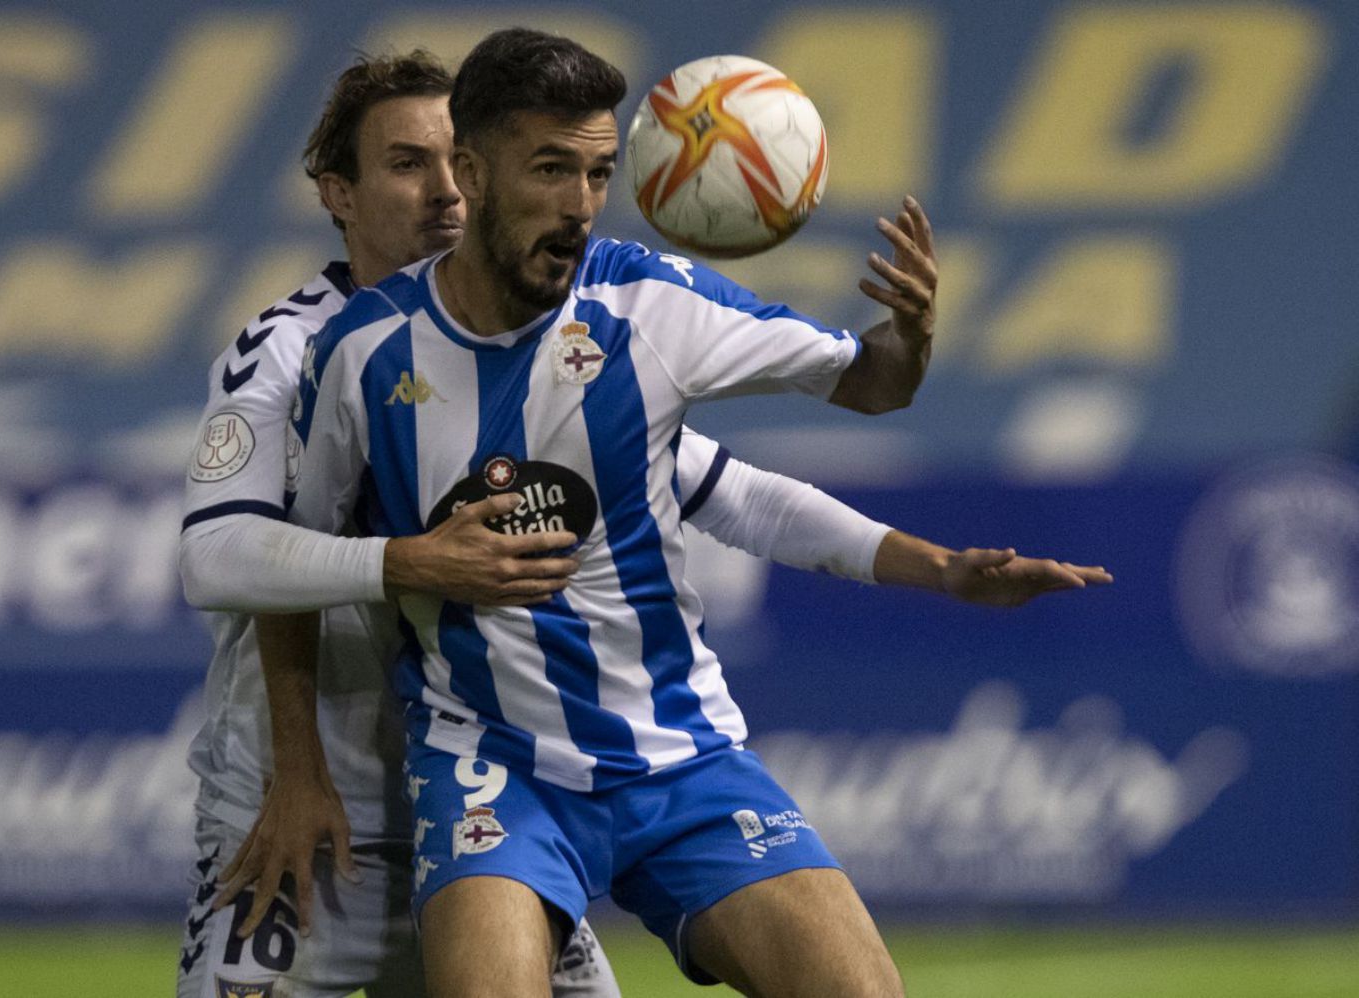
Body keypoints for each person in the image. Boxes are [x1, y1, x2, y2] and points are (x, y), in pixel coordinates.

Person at [283, 28, 1112, 998]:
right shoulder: (360, 354)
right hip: (491, 768)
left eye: (596, 172)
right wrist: (298, 763)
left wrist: (912, 337)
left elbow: (869, 385)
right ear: (469, 170)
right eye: (549, 169)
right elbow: (285, 564)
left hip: (678, 756)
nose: (578, 204)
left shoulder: (649, 303)